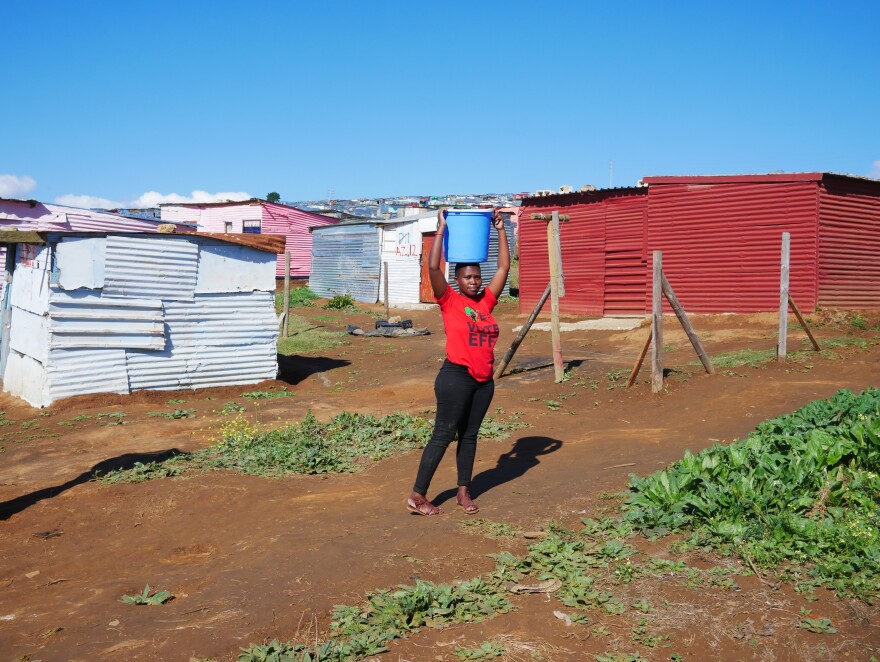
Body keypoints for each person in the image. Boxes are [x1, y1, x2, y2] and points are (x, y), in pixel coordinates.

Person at [406, 208, 510, 516]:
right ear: (457, 279)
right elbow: (433, 267)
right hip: (456, 377)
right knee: (443, 435)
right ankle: (417, 495)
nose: (475, 281)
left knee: (470, 435)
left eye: (477, 276)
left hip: (483, 381)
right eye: (468, 277)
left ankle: (464, 491)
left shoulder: (486, 302)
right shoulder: (449, 300)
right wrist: (441, 229)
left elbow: (504, 267)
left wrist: (501, 230)